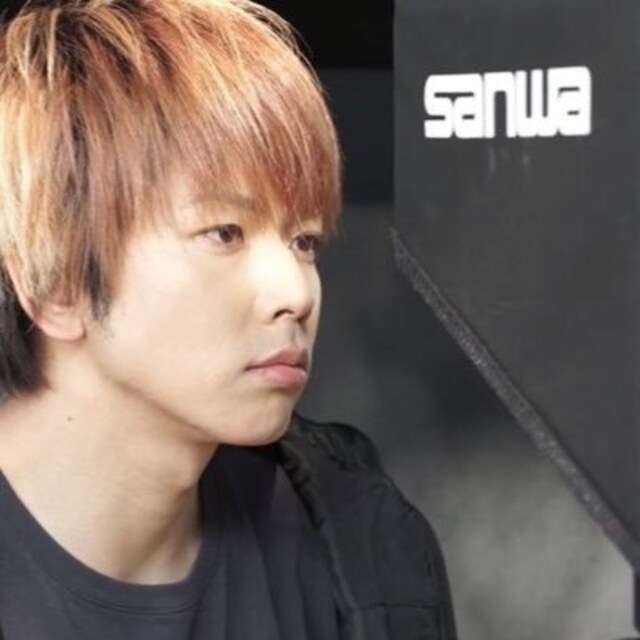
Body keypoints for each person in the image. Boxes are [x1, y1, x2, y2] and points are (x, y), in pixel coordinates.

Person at [0, 0, 457, 638]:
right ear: (57, 285)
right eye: (224, 233)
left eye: (304, 242)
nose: (295, 292)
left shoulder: (358, 534)